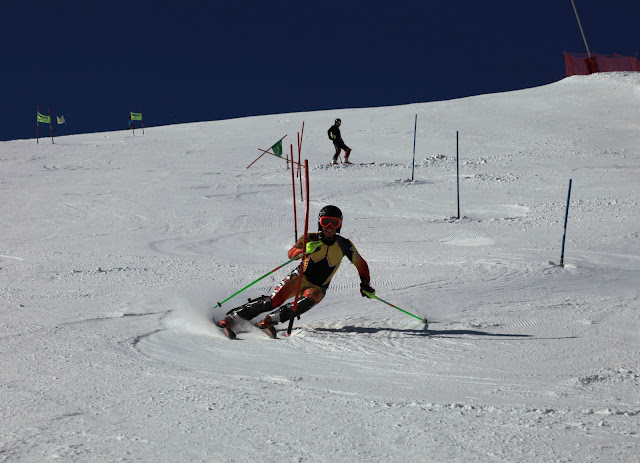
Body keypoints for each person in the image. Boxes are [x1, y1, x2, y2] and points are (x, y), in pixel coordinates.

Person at [218, 205, 375, 338]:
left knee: (311, 298)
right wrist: (304, 251)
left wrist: (365, 284)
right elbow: (291, 254)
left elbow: (361, 264)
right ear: (320, 223)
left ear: (339, 225)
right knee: (273, 301)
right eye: (325, 222)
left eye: (334, 223)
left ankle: (270, 320)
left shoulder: (345, 244)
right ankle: (232, 318)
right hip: (299, 277)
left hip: (318, 286)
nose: (329, 227)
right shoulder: (310, 237)